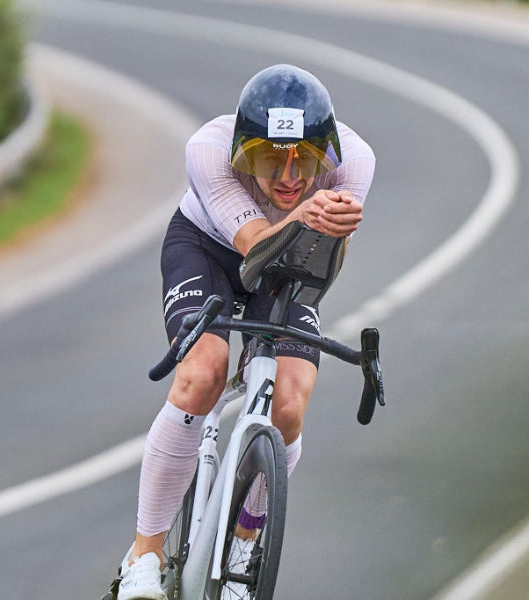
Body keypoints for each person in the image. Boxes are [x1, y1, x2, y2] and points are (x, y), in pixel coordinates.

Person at [116, 64, 376, 600]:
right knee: (203, 374)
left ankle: (243, 541)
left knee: (289, 401)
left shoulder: (356, 159)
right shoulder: (207, 148)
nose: (287, 175)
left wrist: (318, 231)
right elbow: (255, 244)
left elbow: (325, 264)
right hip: (211, 246)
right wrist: (307, 213)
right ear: (240, 151)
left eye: (304, 159)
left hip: (297, 258)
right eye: (266, 158)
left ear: (326, 151)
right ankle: (145, 551)